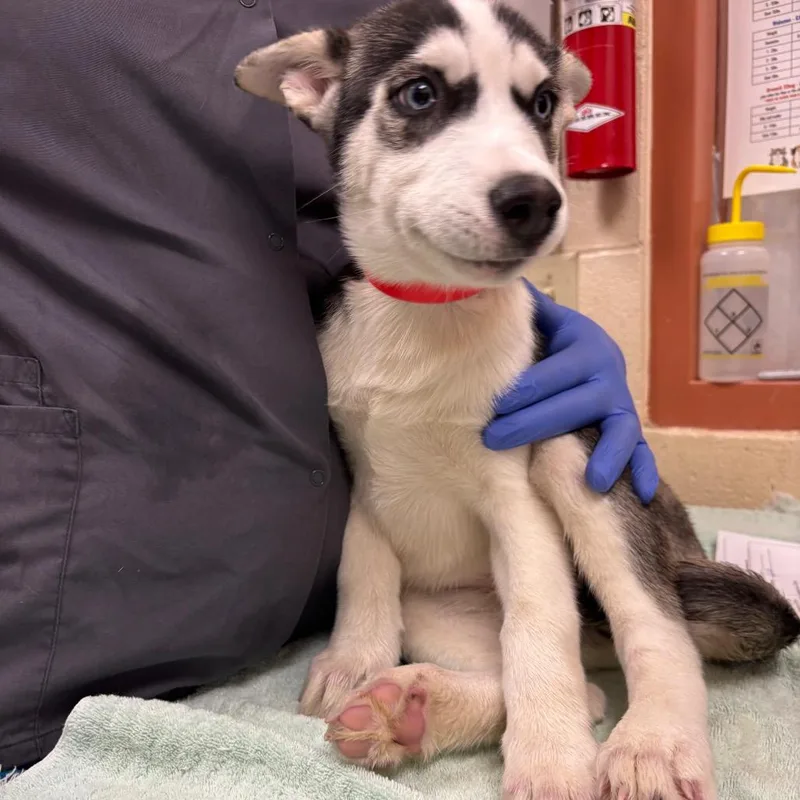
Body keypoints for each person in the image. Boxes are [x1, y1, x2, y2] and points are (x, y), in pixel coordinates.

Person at [0, 0, 658, 770]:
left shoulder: (396, 22)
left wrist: (522, 313)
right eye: (421, 94)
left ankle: (502, 695)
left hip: (344, 592)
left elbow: (381, 210)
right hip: (71, 581)